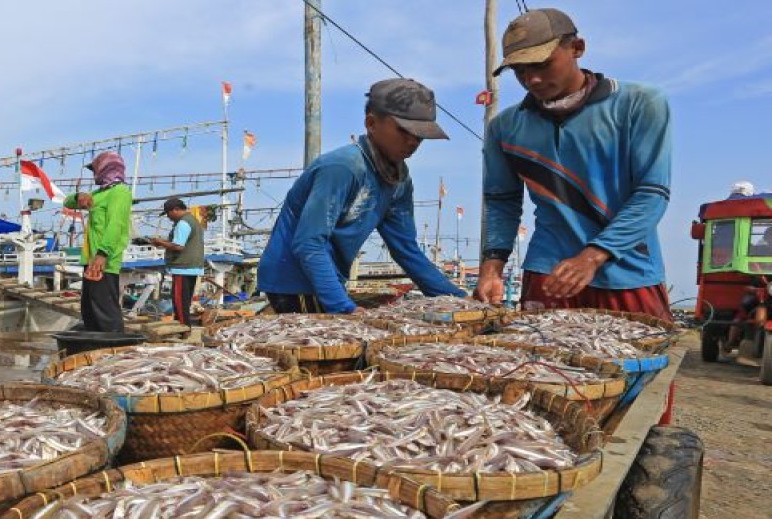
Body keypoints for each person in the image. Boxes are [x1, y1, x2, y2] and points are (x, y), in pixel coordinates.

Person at [475, 8, 673, 322]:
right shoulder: (504, 127)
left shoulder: (639, 103)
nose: (531, 79)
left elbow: (652, 193)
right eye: (520, 71)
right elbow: (502, 202)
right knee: (541, 365)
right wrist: (491, 268)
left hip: (628, 270)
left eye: (541, 64)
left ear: (577, 48)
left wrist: (593, 256)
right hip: (547, 271)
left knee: (639, 359)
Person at [257, 79, 464, 314]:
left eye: (420, 136)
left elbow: (406, 249)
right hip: (293, 281)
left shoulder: (399, 180)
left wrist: (456, 298)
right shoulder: (342, 167)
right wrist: (343, 308)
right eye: (404, 131)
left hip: (327, 280)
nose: (413, 142)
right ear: (371, 123)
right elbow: (309, 243)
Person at [64, 151, 131, 332]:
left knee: (105, 309)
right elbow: (67, 203)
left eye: (95, 170)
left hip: (104, 261)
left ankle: (114, 348)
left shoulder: (120, 192)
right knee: (89, 309)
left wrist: (102, 254)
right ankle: (95, 348)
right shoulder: (97, 194)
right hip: (90, 260)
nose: (94, 175)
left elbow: (115, 225)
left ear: (106, 168)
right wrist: (79, 197)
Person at [147, 197, 205, 325]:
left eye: (168, 213)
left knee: (179, 301)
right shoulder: (193, 221)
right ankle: (184, 327)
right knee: (185, 301)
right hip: (192, 266)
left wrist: (160, 242)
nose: (168, 217)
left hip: (182, 267)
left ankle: (183, 328)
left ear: (176, 210)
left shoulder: (183, 223)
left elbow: (179, 246)